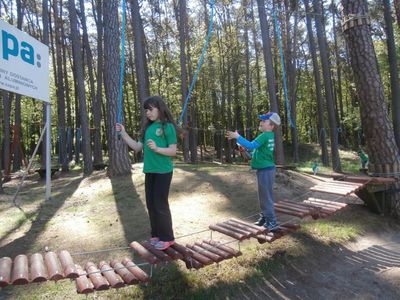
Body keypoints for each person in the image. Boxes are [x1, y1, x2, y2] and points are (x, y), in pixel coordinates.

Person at [116, 95, 178, 251]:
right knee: (151, 204)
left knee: (160, 204)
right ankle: (156, 235)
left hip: (163, 172)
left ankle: (167, 238)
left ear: (160, 108)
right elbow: (137, 147)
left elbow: (173, 151)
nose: (148, 113)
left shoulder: (167, 127)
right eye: (146, 110)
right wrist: (123, 133)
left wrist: (157, 149)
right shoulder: (148, 129)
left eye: (151, 109)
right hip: (150, 171)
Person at [226, 112, 281, 231]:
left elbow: (251, 145)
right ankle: (264, 218)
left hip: (266, 170)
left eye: (264, 121)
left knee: (266, 197)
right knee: (263, 196)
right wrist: (243, 150)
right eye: (261, 120)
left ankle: (272, 222)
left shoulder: (265, 135)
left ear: (271, 126)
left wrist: (238, 137)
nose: (261, 122)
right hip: (265, 170)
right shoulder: (268, 136)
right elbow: (254, 153)